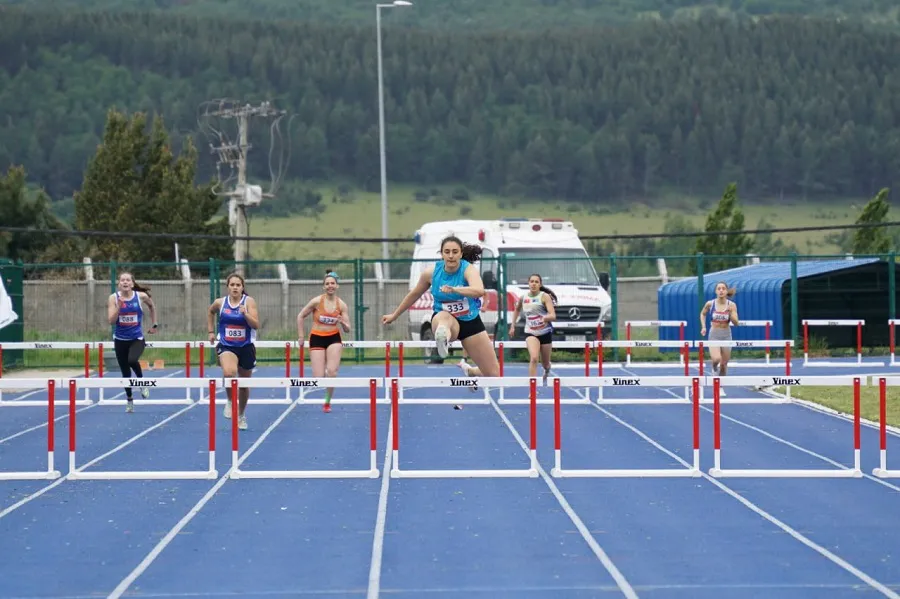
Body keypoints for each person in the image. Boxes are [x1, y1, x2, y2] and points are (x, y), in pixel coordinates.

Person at [383, 235, 500, 379]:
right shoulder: (431, 273)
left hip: (470, 321)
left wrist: (456, 289)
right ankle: (443, 338)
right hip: (443, 319)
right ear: (442, 254)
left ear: (461, 254)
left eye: (455, 252)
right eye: (447, 252)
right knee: (445, 318)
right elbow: (414, 294)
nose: (451, 256)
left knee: (494, 374)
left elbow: (479, 290)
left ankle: (471, 372)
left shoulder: (468, 269)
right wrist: (394, 315)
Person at [207, 273, 259, 431]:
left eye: (238, 285)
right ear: (228, 287)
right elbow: (210, 312)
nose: (235, 287)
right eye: (232, 285)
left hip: (246, 346)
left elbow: (256, 325)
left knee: (244, 384)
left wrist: (245, 314)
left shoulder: (249, 302)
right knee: (229, 373)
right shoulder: (220, 303)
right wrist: (211, 331)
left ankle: (241, 415)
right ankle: (230, 400)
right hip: (227, 345)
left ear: (242, 287)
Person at [296, 270, 351, 413]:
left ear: (337, 286)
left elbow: (348, 329)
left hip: (333, 338)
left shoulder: (342, 305)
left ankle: (327, 401)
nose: (330, 286)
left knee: (332, 372)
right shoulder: (316, 301)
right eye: (327, 284)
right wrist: (301, 336)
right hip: (317, 337)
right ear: (323, 286)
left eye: (332, 283)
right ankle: (323, 366)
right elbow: (300, 316)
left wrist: (342, 322)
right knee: (319, 377)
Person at [106, 272, 158, 413]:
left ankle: (142, 384)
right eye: (122, 280)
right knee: (125, 373)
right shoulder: (113, 298)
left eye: (128, 280)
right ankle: (129, 400)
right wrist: (119, 306)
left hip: (136, 339)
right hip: (120, 340)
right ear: (119, 284)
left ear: (132, 283)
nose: (125, 282)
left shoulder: (141, 296)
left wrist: (154, 324)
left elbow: (152, 307)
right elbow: (111, 321)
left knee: (132, 360)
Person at [508, 274, 557, 383]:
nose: (534, 284)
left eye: (536, 282)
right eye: (532, 281)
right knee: (534, 358)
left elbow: (553, 315)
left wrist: (545, 318)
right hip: (531, 332)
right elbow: (517, 309)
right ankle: (532, 388)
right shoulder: (523, 297)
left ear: (540, 284)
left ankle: (547, 369)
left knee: (545, 363)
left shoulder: (545, 297)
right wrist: (513, 326)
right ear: (528, 283)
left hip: (545, 333)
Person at [699, 281, 739, 376]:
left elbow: (736, 323)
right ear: (716, 291)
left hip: (726, 335)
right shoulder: (710, 304)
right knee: (716, 359)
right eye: (719, 289)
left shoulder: (731, 305)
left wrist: (730, 313)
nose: (721, 291)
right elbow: (703, 314)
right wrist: (703, 327)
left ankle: (721, 384)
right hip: (714, 335)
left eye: (723, 289)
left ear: (726, 291)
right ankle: (714, 367)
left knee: (724, 365)